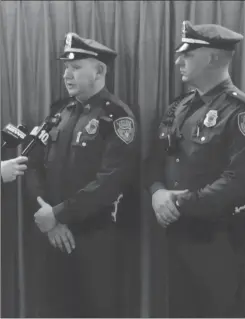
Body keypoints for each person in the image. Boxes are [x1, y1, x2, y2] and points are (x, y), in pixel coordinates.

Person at [146, 21, 245, 317]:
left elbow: (240, 181)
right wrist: (156, 192)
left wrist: (175, 202)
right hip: (178, 237)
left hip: (220, 243)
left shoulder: (243, 113)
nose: (179, 61)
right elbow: (154, 160)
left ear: (213, 58)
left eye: (188, 55)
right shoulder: (180, 106)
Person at [26, 32, 140, 317]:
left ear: (100, 71)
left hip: (96, 238)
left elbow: (110, 182)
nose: (67, 74)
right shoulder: (59, 113)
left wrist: (59, 214)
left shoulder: (116, 118)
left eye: (76, 67)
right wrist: (50, 219)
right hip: (52, 234)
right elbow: (32, 163)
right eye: (66, 67)